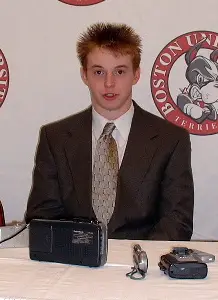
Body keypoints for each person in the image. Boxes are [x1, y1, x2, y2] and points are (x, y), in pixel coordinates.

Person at [25, 22, 194, 240]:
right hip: (74, 265)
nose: (109, 83)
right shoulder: (55, 138)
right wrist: (82, 256)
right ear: (84, 75)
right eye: (98, 72)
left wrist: (136, 262)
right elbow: (42, 219)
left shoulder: (171, 140)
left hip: (143, 267)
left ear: (136, 75)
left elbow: (177, 220)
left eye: (120, 71)